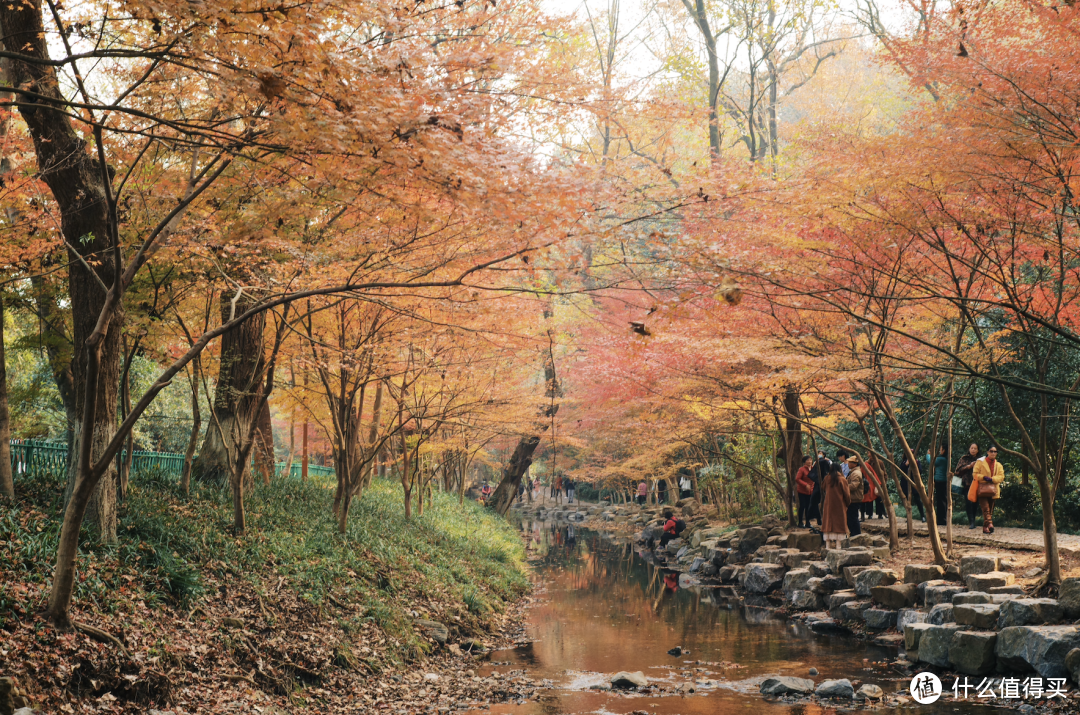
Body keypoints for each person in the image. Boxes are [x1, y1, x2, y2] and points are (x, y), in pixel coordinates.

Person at [969, 446, 1004, 534]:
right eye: (991, 451)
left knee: (990, 510)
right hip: (982, 489)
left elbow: (1001, 477)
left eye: (995, 451)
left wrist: (992, 479)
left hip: (993, 490)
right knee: (986, 509)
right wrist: (984, 477)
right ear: (987, 452)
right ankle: (990, 524)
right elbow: (975, 474)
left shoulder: (998, 465)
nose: (993, 453)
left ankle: (985, 527)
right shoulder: (980, 462)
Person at [822, 462, 851, 551]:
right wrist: (847, 503)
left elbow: (823, 488)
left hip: (828, 504)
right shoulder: (842, 479)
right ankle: (838, 547)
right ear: (840, 469)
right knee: (839, 524)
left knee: (828, 523)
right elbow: (847, 494)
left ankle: (828, 547)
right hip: (839, 504)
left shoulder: (827, 478)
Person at [955, 443, 980, 529]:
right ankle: (971, 522)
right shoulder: (964, 458)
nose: (973, 450)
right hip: (967, 484)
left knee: (975, 503)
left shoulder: (980, 460)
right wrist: (969, 466)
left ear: (978, 450)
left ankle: (974, 520)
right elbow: (957, 471)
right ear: (969, 449)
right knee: (969, 502)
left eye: (975, 448)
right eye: (972, 448)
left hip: (977, 484)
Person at [899, 455, 926, 521]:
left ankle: (922, 516)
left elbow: (920, 471)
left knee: (917, 499)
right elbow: (901, 470)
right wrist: (906, 464)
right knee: (907, 500)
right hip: (905, 484)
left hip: (914, 483)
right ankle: (909, 517)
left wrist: (914, 465)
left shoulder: (917, 462)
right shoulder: (904, 462)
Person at [845, 454, 865, 536]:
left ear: (854, 464)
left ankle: (856, 534)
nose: (848, 464)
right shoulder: (853, 472)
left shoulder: (856, 473)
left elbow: (853, 486)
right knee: (850, 517)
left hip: (855, 498)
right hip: (852, 498)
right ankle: (853, 533)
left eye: (850, 462)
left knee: (853, 517)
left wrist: (844, 487)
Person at [932, 444, 949, 526]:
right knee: (943, 500)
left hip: (940, 481)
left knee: (940, 500)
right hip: (944, 481)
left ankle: (942, 520)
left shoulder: (941, 459)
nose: (939, 450)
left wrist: (928, 454)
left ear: (944, 450)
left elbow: (930, 461)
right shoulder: (946, 459)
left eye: (941, 449)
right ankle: (943, 519)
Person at [795, 456, 814, 528]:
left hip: (810, 491)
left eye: (810, 460)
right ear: (804, 462)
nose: (809, 461)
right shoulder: (802, 469)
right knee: (802, 506)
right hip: (802, 491)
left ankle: (808, 523)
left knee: (808, 507)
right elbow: (797, 479)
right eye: (808, 460)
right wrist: (805, 485)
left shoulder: (813, 469)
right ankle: (800, 522)